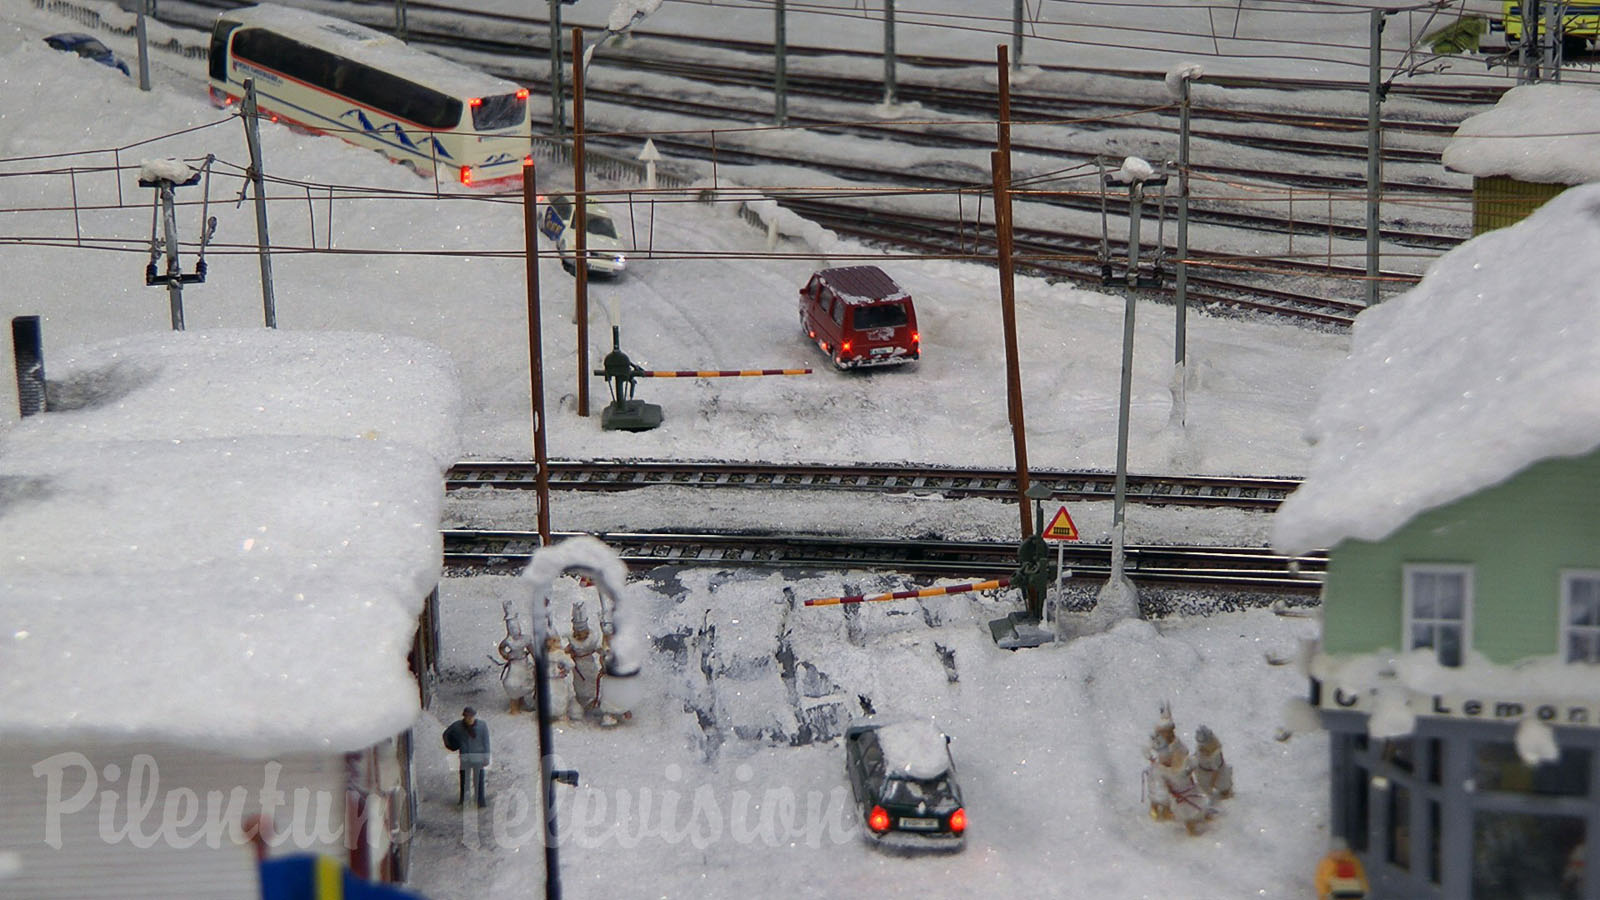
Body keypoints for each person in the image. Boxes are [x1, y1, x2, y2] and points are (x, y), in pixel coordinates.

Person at [442, 707, 490, 807]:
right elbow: (446, 734)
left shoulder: (482, 726)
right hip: (465, 758)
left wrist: (486, 757)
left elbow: (486, 742)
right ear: (464, 717)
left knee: (479, 781)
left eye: (471, 717)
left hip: (478, 758)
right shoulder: (458, 726)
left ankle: (480, 801)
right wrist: (452, 745)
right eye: (467, 717)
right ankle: (464, 800)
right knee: (465, 781)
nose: (469, 719)